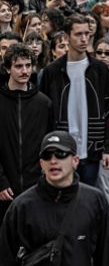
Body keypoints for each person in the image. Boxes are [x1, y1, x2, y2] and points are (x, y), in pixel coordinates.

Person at [0, 130, 109, 265]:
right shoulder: (21, 206)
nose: (53, 161)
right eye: (47, 156)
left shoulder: (95, 201)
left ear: (75, 161)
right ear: (41, 163)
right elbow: (5, 257)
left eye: (61, 154)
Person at [39, 14, 109, 187]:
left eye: (87, 34)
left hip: (92, 151)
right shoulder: (52, 72)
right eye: (78, 34)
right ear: (67, 37)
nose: (84, 39)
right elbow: (45, 114)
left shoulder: (99, 70)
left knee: (88, 202)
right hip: (61, 152)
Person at [0, 44, 52, 221]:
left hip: (36, 185)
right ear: (7, 68)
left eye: (28, 65)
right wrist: (1, 181)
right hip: (5, 187)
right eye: (18, 66)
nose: (25, 71)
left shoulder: (44, 104)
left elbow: (49, 143)